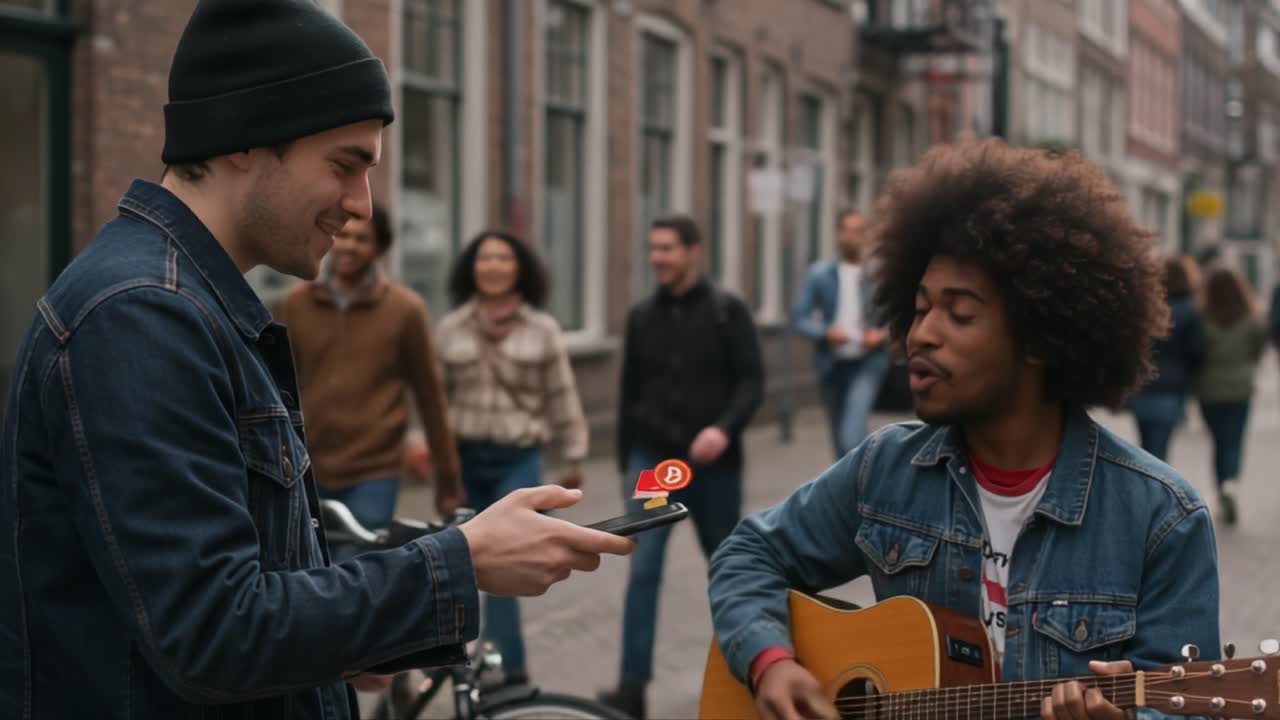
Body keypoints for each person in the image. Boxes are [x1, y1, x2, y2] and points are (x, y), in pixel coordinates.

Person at [0, 2, 633, 718]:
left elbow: (246, 595)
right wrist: (463, 560)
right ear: (245, 137)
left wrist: (359, 642)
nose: (362, 205)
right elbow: (213, 632)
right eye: (344, 164)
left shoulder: (187, 302)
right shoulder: (141, 315)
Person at [707, 140, 1220, 720]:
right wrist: (770, 661)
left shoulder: (1161, 518)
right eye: (921, 307)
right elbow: (748, 553)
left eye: (960, 312)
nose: (921, 334)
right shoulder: (885, 469)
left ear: (1039, 339)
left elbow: (1187, 706)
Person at [599, 215, 765, 719]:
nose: (657, 259)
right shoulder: (642, 316)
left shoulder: (727, 312)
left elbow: (752, 382)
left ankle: (748, 677)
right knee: (643, 570)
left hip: (713, 465)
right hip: (655, 464)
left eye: (667, 249)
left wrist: (724, 428)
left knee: (730, 571)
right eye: (652, 250)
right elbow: (629, 392)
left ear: (694, 251)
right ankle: (631, 688)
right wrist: (628, 462)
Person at [434, 230, 590, 688]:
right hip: (464, 459)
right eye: (485, 259)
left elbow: (562, 394)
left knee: (505, 562)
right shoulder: (451, 327)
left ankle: (511, 672)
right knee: (458, 562)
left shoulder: (541, 329)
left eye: (503, 258)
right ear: (472, 268)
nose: (494, 266)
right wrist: (425, 446)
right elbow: (435, 397)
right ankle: (462, 668)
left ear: (519, 267)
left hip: (517, 460)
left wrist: (574, 453)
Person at [275, 203, 462, 539]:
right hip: (307, 464)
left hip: (375, 468)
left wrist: (447, 478)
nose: (349, 246)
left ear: (380, 247)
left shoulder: (406, 310)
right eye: (343, 235)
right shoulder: (294, 304)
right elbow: (274, 385)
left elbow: (430, 396)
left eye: (361, 239)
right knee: (309, 567)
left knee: (357, 563)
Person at [791, 208, 891, 459]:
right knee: (839, 443)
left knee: (851, 434)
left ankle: (862, 484)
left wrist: (879, 335)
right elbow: (799, 317)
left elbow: (897, 316)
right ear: (838, 235)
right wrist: (825, 332)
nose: (852, 237)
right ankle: (852, 492)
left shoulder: (879, 275)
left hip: (868, 362)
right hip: (831, 364)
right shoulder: (820, 274)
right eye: (847, 231)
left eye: (858, 231)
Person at [1195, 267, 1266, 526]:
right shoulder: (1250, 318)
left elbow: (1197, 353)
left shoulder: (1202, 319)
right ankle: (1230, 483)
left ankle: (1222, 484)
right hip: (1240, 388)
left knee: (1218, 440)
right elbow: (1258, 348)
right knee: (1233, 440)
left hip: (1209, 390)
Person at [1128, 257, 1205, 461]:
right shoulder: (1190, 312)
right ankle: (1153, 490)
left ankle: (1148, 486)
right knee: (1159, 450)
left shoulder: (1145, 308)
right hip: (1172, 389)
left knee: (1145, 447)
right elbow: (1196, 352)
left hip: (1143, 386)